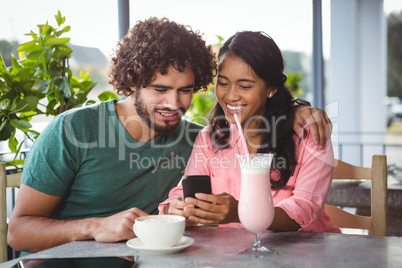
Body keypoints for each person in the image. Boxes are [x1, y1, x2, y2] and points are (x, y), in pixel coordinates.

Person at [8, 18, 333, 254]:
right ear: (132, 79)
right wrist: (93, 226)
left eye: (185, 91)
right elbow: (17, 234)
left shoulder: (196, 137)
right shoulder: (72, 130)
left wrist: (294, 109)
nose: (174, 104)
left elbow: (180, 197)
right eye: (160, 89)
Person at [160, 31, 340, 233]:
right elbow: (182, 192)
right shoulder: (211, 138)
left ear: (271, 89)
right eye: (223, 83)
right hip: (238, 256)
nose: (230, 95)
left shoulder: (310, 133)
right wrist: (175, 208)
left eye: (244, 86)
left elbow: (305, 210)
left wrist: (240, 212)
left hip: (306, 255)